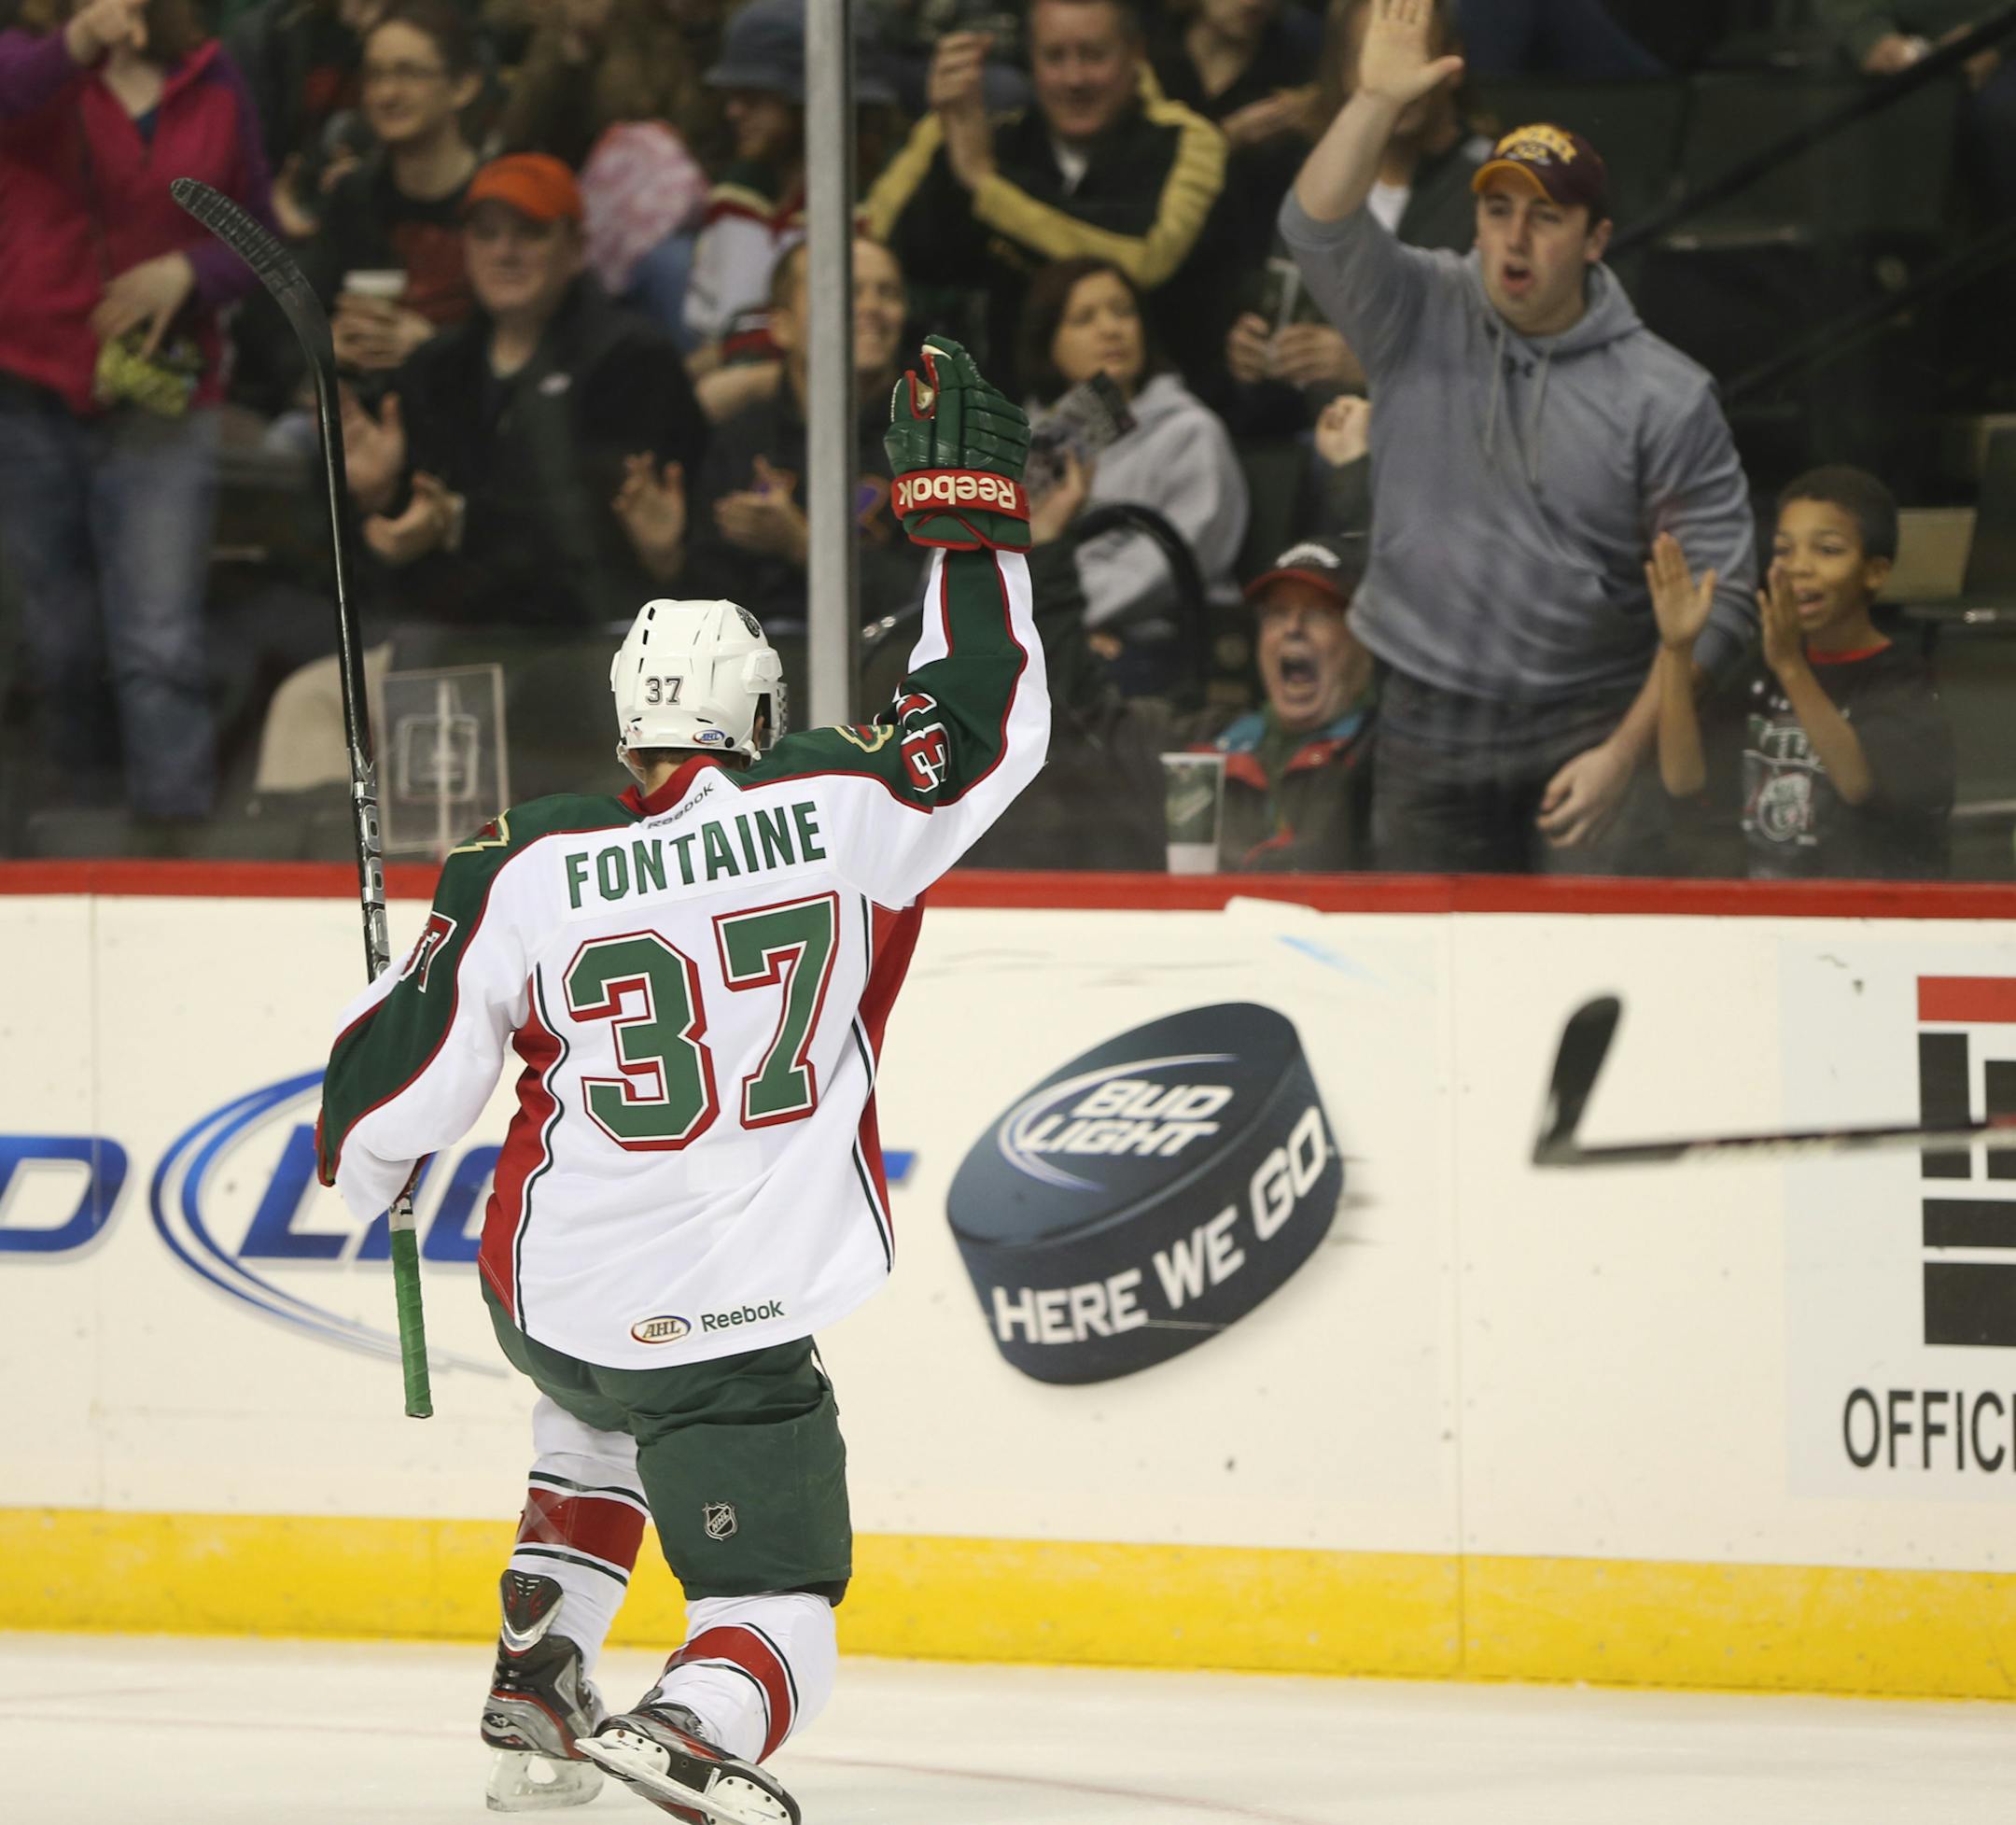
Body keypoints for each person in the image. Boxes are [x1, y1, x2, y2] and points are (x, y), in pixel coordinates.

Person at [314, 337, 1047, 1822]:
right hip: (725, 1318)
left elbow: (384, 1105)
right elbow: (982, 713)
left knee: (594, 1416)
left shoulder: (528, 855)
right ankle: (695, 1721)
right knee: (783, 1594)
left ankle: (541, 1673)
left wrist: (377, 1153)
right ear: (758, 711)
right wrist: (966, 522)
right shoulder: (834, 801)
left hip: (551, 1297)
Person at [1279, 0, 1757, 875]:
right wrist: (1373, 103)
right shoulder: (1416, 308)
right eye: (1498, 210)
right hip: (1425, 719)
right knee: (1427, 997)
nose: (1515, 236)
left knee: (1596, 985)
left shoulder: (1667, 395)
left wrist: (1624, 754)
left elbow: (1721, 600)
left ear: (1597, 239)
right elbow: (1313, 226)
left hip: (1591, 723)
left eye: (1545, 216)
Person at [256, 154, 707, 798]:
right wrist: (377, 501)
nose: (506, 252)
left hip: (590, 652)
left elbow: (582, 532)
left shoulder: (631, 361)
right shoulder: (438, 368)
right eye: (487, 234)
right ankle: (327, 893)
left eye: (530, 233)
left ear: (576, 249)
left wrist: (460, 524)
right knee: (311, 701)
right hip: (452, 647)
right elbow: (373, 564)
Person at [0, 0, 274, 824]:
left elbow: (257, 233)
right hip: (32, 393)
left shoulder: (215, 80)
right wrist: (73, 48)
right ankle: (75, 839)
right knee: (60, 642)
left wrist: (189, 273)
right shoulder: (27, 66)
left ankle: (172, 852)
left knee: (158, 645)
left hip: (163, 398)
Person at [864, 0, 1227, 391]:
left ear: (1136, 54)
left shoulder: (1187, 141)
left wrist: (990, 185)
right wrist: (945, 122)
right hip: (1006, 428)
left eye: (1093, 55)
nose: (1074, 79)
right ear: (1029, 62)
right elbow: (884, 241)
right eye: (1054, 57)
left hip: (1155, 423)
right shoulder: (999, 138)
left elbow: (1145, 255)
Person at [984, 527, 1374, 871]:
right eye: (1276, 613)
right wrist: (1048, 540)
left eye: (1322, 613)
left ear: (1369, 638)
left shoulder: (1386, 759)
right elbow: (1078, 720)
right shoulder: (1202, 745)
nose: (1293, 628)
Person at [1650, 468, 1956, 879]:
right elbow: (1683, 779)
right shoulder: (1762, 664)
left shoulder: (1900, 677)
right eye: (1784, 549)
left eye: (1827, 550)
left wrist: (1792, 667)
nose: (1799, 567)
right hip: (1769, 911)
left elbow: (1859, 786)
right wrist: (1676, 649)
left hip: (1867, 918)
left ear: (1874, 572)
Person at [1222, 0, 1488, 428]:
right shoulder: (1318, 186)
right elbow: (1275, 413)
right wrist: (1258, 364)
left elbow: (1511, 363)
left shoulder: (1497, 192)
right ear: (1347, 74)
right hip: (1324, 456)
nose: (1398, 76)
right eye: (1376, 57)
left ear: (1452, 63)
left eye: (1415, 53)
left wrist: (1369, 368)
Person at [1020, 257, 1248, 695]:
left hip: (1160, 639)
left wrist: (1055, 620)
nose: (1111, 329)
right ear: (1048, 341)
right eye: (1085, 318)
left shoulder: (1189, 433)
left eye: (1123, 312)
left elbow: (1169, 566)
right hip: (1047, 632)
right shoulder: (1035, 444)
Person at [673, 237, 921, 634]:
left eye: (887, 292)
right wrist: (665, 557)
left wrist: (805, 547)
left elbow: (936, 600)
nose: (872, 307)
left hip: (892, 677)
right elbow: (706, 613)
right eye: (847, 291)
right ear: (782, 326)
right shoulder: (743, 437)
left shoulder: (940, 441)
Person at [682, 0, 898, 370]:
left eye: (754, 95)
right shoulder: (735, 196)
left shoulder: (878, 212)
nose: (733, 111)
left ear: (813, 101)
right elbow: (714, 338)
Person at [305, 0, 483, 376]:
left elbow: (527, 349)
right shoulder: (352, 196)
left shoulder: (497, 200)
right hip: (359, 410)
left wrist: (434, 347)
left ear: (463, 86)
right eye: (374, 75)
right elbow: (289, 325)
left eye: (409, 73)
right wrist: (324, 345)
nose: (387, 94)